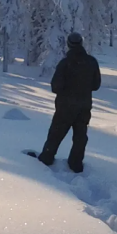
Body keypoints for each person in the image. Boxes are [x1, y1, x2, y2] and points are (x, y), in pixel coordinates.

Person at [37, 32, 101, 173]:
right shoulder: (92, 62)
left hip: (65, 107)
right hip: (84, 106)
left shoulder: (65, 63)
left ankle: (47, 158)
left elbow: (55, 86)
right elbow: (96, 85)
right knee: (80, 136)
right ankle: (76, 164)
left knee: (56, 133)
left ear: (68, 44)